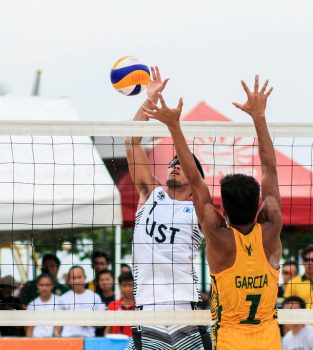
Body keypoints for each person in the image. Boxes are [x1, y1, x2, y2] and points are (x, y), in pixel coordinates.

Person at [143, 75, 283, 349]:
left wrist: (173, 126)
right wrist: (259, 117)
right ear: (259, 207)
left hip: (230, 341)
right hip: (269, 341)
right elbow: (270, 169)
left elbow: (195, 181)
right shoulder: (271, 228)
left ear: (223, 212)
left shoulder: (219, 238)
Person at [125, 67, 209, 350]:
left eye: (181, 164)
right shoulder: (151, 195)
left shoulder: (198, 210)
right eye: (172, 162)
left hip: (186, 309)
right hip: (147, 308)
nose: (174, 165)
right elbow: (131, 141)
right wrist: (149, 99)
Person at [60, 266, 104, 338]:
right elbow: (58, 324)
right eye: (74, 278)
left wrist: (87, 321)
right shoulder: (63, 298)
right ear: (69, 280)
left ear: (85, 278)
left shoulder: (95, 297)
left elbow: (101, 323)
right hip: (68, 339)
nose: (77, 281)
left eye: (79, 277)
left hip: (88, 339)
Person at [105, 272, 135, 337]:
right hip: (115, 344)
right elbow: (108, 329)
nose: (127, 289)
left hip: (135, 344)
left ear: (135, 286)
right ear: (119, 287)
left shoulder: (140, 306)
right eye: (124, 286)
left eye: (130, 285)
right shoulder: (112, 305)